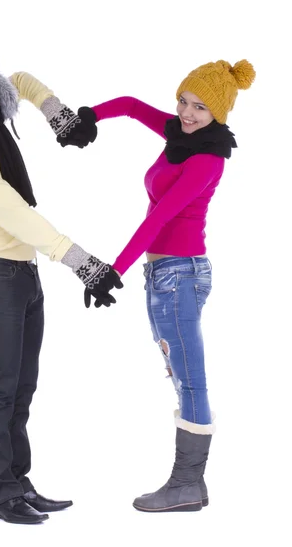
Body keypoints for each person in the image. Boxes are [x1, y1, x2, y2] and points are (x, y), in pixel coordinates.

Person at [0, 39, 123, 525]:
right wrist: (83, 263)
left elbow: (27, 82)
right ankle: (0, 495)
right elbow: (17, 216)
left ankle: (18, 481)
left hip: (21, 275)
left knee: (21, 389)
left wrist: (59, 115)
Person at [65, 59, 255, 513]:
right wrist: (90, 115)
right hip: (165, 276)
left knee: (191, 383)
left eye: (200, 108)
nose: (187, 114)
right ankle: (190, 485)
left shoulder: (207, 158)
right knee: (183, 379)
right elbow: (131, 106)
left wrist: (113, 269)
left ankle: (187, 484)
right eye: (184, 102)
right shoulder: (179, 134)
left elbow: (160, 217)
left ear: (219, 114)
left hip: (179, 275)